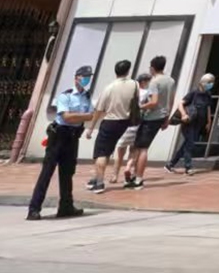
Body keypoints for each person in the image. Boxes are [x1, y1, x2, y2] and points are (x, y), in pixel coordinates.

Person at [27, 66, 94, 220]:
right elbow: (66, 117)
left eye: (89, 76)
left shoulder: (86, 96)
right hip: (59, 136)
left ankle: (66, 206)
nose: (87, 79)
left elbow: (91, 116)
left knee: (68, 172)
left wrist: (78, 116)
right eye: (84, 76)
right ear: (76, 77)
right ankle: (34, 208)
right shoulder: (66, 96)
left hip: (73, 137)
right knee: (47, 172)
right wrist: (82, 116)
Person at [85, 58, 141, 194]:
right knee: (108, 150)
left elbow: (99, 109)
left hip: (110, 122)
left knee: (101, 153)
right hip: (125, 123)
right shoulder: (135, 84)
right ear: (128, 71)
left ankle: (99, 182)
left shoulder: (109, 88)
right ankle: (96, 178)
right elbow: (136, 101)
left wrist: (91, 128)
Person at [127, 55, 175, 188]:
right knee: (140, 146)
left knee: (142, 148)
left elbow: (153, 102)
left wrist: (140, 107)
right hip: (161, 116)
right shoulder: (170, 81)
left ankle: (138, 178)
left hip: (150, 117)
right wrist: (167, 118)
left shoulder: (155, 82)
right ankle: (134, 175)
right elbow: (170, 101)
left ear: (153, 68)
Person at [167, 72, 216, 175]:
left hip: (199, 124)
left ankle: (170, 165)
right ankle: (188, 167)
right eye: (209, 82)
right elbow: (180, 103)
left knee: (187, 144)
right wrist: (184, 115)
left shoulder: (208, 95)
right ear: (203, 82)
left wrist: (209, 122)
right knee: (190, 144)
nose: (210, 84)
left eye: (212, 82)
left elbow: (208, 108)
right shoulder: (194, 93)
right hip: (189, 123)